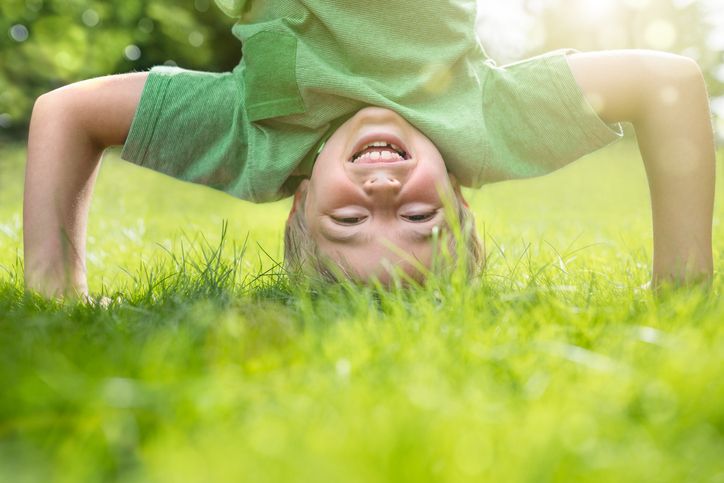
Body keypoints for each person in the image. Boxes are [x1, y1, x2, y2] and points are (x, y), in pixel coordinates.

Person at [23, 0, 715, 298]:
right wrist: (681, 282)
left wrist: (57, 289)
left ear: (299, 202)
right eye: (421, 221)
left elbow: (64, 112)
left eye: (348, 223)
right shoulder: (490, 127)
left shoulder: (251, 142)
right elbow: (668, 84)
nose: (383, 198)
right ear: (459, 196)